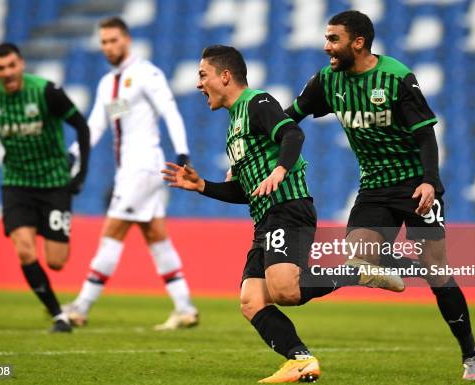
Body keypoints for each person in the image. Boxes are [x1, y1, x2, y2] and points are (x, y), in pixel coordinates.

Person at [162, 44, 404, 383]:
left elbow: (293, 132)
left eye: (203, 75)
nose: (199, 84)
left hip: (288, 208)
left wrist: (279, 171)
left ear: (225, 76)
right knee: (251, 301)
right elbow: (247, 191)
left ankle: (356, 272)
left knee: (285, 291)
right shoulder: (234, 126)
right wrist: (203, 185)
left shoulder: (258, 103)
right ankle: (300, 360)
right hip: (265, 217)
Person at [284, 10, 475, 381]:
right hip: (375, 186)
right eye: (326, 38)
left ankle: (471, 354)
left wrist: (430, 182)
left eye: (333, 39)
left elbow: (425, 135)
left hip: (415, 187)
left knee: (439, 274)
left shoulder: (395, 78)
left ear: (357, 43)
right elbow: (288, 118)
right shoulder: (327, 81)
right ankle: (402, 266)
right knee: (359, 257)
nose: (326, 46)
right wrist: (256, 152)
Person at [64, 17, 198, 331]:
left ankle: (81, 306)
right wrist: (73, 153)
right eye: (104, 42)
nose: (109, 47)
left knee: (111, 234)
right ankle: (185, 307)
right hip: (134, 170)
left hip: (142, 167)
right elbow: (95, 124)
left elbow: (169, 110)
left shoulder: (145, 74)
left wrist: (182, 153)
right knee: (156, 238)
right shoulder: (109, 84)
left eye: (114, 40)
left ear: (127, 40)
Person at [0, 43, 91, 333]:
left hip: (54, 181)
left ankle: (66, 161)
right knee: (24, 251)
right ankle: (58, 314)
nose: (7, 73)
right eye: (0, 68)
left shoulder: (47, 92)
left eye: (11, 66)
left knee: (57, 261)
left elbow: (81, 126)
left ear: (21, 64)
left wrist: (81, 172)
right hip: (16, 184)